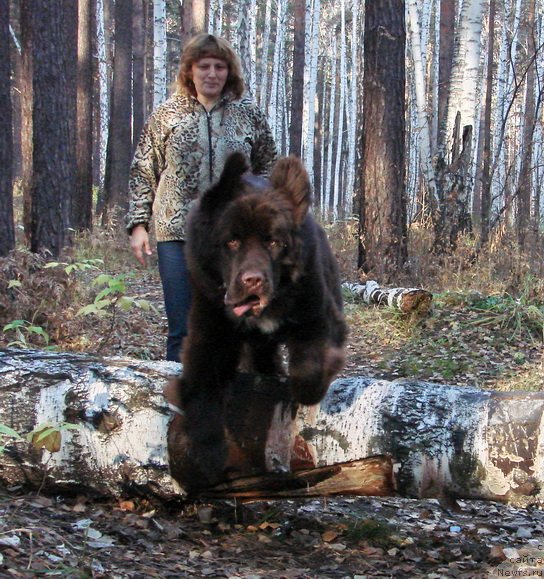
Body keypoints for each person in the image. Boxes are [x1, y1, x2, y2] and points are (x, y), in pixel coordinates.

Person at [126, 34, 277, 362]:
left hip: (233, 239)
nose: (212, 73)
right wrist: (138, 224)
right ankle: (178, 402)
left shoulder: (247, 114)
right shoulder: (167, 115)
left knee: (235, 323)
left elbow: (269, 166)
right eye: (204, 66)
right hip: (177, 234)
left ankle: (235, 401)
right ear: (189, 71)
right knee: (183, 326)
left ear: (229, 72)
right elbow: (143, 169)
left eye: (219, 67)